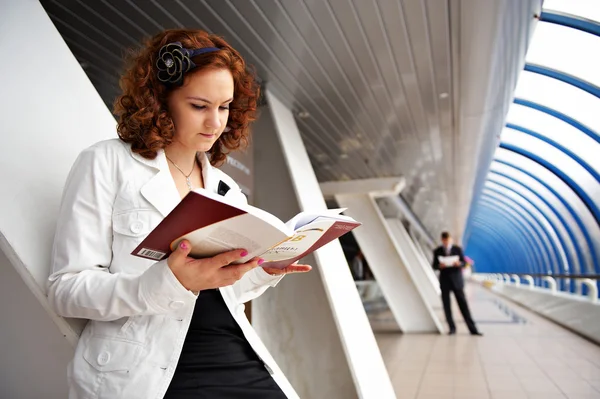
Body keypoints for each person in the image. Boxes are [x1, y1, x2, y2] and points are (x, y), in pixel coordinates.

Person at [47, 29, 312, 399]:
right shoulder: (105, 163)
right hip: (146, 366)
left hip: (231, 350)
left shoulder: (224, 187)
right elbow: (67, 289)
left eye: (224, 107)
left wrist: (263, 270)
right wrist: (168, 282)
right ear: (160, 100)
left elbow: (225, 290)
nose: (215, 123)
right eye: (200, 106)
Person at [432, 232, 482, 336]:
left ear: (451, 240)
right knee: (447, 306)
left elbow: (464, 263)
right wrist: (440, 266)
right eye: (444, 240)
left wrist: (459, 264)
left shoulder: (457, 249)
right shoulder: (438, 251)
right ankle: (452, 328)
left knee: (463, 305)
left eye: (448, 240)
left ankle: (473, 329)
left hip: (457, 281)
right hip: (445, 281)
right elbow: (434, 265)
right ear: (442, 240)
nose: (446, 242)